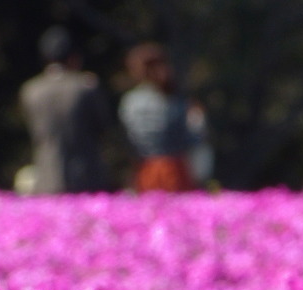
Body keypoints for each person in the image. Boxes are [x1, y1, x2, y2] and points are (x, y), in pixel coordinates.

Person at [19, 26, 110, 194]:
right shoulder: (86, 86)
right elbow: (103, 127)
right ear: (73, 57)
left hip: (47, 175)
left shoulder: (31, 90)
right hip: (87, 175)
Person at [118, 43, 205, 193]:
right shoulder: (174, 102)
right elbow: (194, 138)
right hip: (174, 170)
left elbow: (127, 139)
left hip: (143, 170)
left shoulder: (129, 101)